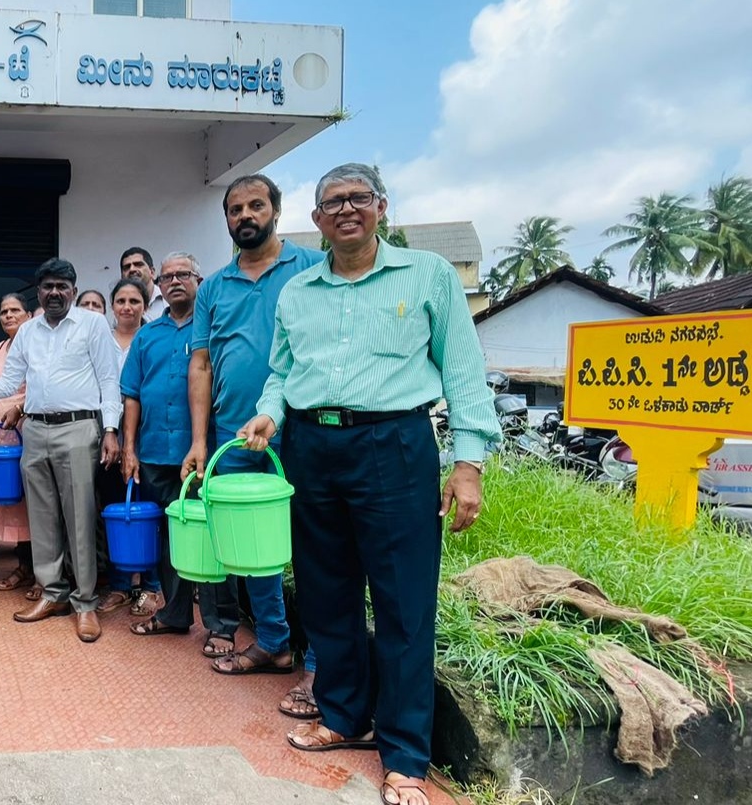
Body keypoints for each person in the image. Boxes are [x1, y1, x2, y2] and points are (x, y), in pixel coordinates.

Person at [237, 163, 497, 805]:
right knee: (325, 591)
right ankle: (345, 715)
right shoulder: (298, 291)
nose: (346, 210)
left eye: (359, 198)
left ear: (381, 207)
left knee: (404, 600)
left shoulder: (429, 275)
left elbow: (463, 370)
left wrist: (468, 463)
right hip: (311, 446)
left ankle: (406, 753)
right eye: (333, 203)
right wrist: (270, 413)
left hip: (394, 444)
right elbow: (282, 372)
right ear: (317, 219)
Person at [180, 174, 322, 699]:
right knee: (249, 546)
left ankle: (322, 663)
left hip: (300, 430)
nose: (245, 215)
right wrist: (200, 441)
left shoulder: (313, 267)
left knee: (312, 544)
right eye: (235, 209)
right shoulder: (213, 287)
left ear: (276, 211)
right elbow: (201, 365)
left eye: (256, 205)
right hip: (231, 435)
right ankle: (273, 642)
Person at [0, 259, 121, 643]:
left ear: (73, 290)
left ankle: (85, 603)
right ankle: (52, 593)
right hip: (34, 429)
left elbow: (108, 380)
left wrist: (110, 429)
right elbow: (7, 384)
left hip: (78, 428)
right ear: (38, 292)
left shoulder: (92, 324)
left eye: (62, 286)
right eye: (48, 286)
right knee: (42, 516)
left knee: (80, 518)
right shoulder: (29, 332)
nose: (55, 292)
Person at [121, 253, 244, 655]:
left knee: (208, 536)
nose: (175, 281)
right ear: (158, 285)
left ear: (199, 281)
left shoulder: (213, 332)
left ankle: (221, 626)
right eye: (168, 276)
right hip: (155, 451)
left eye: (183, 274)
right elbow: (132, 395)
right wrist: (129, 449)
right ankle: (174, 614)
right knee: (169, 536)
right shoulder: (146, 335)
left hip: (202, 452)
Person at [97, 277, 153, 615]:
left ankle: (149, 586)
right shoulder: (100, 339)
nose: (127, 307)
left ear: (145, 305)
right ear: (112, 306)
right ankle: (119, 585)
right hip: (106, 433)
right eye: (121, 301)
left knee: (146, 507)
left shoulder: (152, 336)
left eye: (134, 301)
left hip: (146, 432)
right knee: (115, 506)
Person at [0, 293, 35, 598]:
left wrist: (19, 409)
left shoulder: (34, 345)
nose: (8, 315)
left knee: (32, 500)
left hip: (26, 428)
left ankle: (38, 571)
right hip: (0, 433)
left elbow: (39, 388)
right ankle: (23, 565)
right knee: (10, 497)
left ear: (28, 315)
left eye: (15, 310)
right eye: (4, 311)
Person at [120, 246, 166, 321]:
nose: (132, 269)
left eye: (138, 264)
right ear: (122, 277)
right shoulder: (120, 307)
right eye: (127, 267)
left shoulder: (167, 299)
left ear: (152, 272)